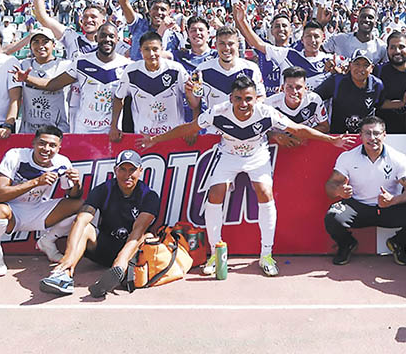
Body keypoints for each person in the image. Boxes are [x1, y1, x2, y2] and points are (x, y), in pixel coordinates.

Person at [143, 75, 347, 277]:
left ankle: (266, 255)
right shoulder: (217, 112)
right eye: (239, 98)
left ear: (256, 98)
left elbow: (298, 129)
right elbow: (189, 127)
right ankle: (215, 254)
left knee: (265, 193)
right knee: (215, 196)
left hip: (257, 156)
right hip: (228, 154)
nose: (243, 103)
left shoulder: (267, 113)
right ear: (231, 98)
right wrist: (155, 139)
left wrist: (330, 140)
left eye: (248, 98)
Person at [38, 149, 160, 297]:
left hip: (130, 253)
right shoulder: (104, 190)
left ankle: (118, 272)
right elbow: (81, 219)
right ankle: (63, 275)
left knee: (145, 236)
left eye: (132, 170)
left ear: (140, 171)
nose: (127, 175)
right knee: (85, 227)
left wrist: (119, 263)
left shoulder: (149, 196)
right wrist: (68, 256)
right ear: (115, 170)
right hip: (103, 247)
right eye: (122, 169)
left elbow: (137, 231)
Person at [0, 125, 84, 277]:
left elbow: (73, 197)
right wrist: (36, 182)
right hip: (12, 211)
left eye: (52, 145)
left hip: (38, 210)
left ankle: (47, 241)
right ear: (33, 143)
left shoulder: (62, 162)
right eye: (42, 143)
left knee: (82, 207)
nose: (46, 149)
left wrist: (77, 183)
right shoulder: (16, 155)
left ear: (59, 148)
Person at [323, 117, 406, 266]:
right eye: (367, 133)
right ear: (360, 135)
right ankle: (346, 244)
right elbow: (330, 185)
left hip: (389, 208)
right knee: (332, 216)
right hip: (358, 208)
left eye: (376, 133)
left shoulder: (398, 158)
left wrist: (394, 200)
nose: (372, 138)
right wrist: (339, 191)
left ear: (384, 135)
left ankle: (399, 243)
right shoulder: (348, 157)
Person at [13, 23, 131, 134]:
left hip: (113, 131)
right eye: (103, 36)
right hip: (84, 130)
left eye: (111, 36)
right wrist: (26, 79)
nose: (107, 39)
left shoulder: (128, 66)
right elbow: (53, 84)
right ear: (96, 38)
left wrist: (116, 126)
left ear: (117, 40)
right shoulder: (81, 62)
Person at [24, 0, 132, 58]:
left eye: (93, 17)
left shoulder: (115, 45)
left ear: (103, 21)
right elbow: (42, 17)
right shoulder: (72, 38)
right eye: (85, 17)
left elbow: (138, 55)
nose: (88, 20)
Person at [110, 31, 189, 139]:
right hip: (143, 136)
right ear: (140, 51)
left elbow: (192, 98)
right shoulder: (131, 71)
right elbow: (119, 98)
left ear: (162, 49)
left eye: (155, 49)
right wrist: (114, 126)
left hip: (173, 135)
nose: (151, 54)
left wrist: (191, 128)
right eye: (146, 49)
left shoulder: (176, 69)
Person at [189, 25, 265, 114]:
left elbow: (261, 96)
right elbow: (195, 104)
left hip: (244, 124)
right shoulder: (201, 70)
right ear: (215, 45)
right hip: (214, 126)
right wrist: (189, 92)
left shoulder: (251, 68)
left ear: (237, 44)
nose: (227, 48)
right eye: (222, 43)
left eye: (230, 44)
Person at [314, 49, 385, 134]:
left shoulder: (377, 85)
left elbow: (380, 104)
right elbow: (315, 98)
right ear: (350, 65)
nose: (360, 69)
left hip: (365, 137)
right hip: (338, 136)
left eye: (365, 65)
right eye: (357, 64)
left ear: (372, 68)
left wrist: (401, 104)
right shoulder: (336, 81)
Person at [15, 28, 71, 134]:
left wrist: (27, 79)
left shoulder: (65, 65)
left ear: (53, 45)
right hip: (29, 131)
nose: (40, 46)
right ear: (30, 46)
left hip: (58, 130)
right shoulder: (23, 65)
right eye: (36, 42)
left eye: (45, 42)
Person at [373, 31, 406, 134]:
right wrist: (401, 103)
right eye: (392, 47)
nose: (397, 51)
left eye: (401, 47)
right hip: (386, 132)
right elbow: (374, 103)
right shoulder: (379, 71)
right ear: (387, 50)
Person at [264, 67, 329, 132]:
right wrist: (274, 136)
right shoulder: (269, 104)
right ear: (282, 88)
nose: (294, 91)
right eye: (290, 87)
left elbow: (325, 127)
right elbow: (259, 132)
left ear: (306, 88)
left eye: (299, 87)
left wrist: (303, 135)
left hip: (305, 139)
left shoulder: (314, 100)